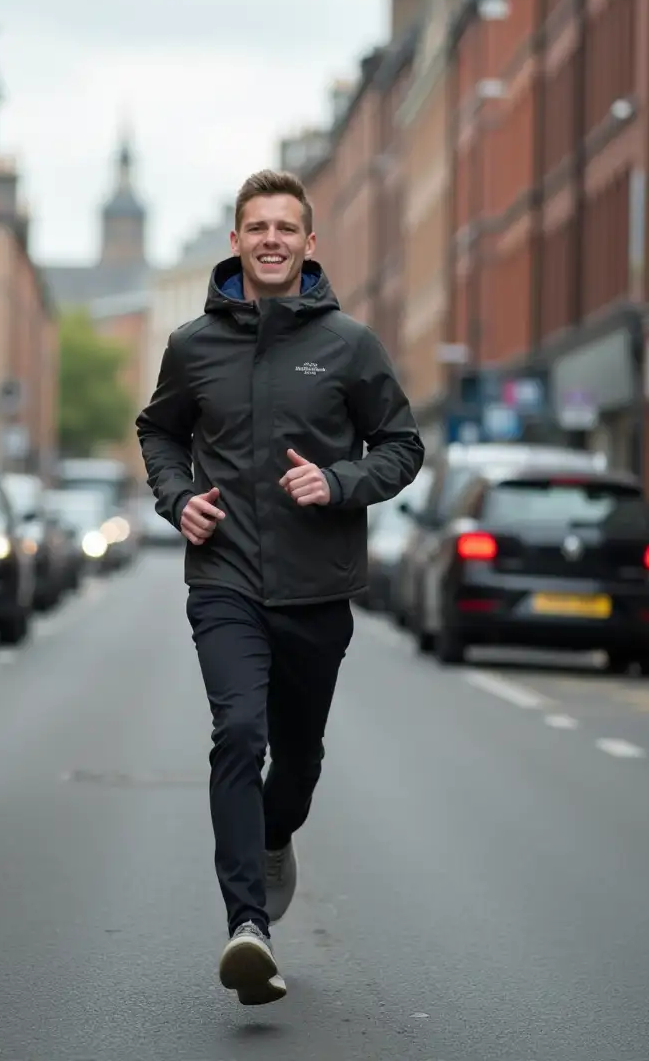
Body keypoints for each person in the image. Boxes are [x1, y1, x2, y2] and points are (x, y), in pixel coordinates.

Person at [136, 169, 424, 1006]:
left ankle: (273, 836)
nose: (270, 240)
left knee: (297, 758)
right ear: (235, 241)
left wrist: (337, 483)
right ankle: (248, 927)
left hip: (316, 589)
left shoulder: (350, 345)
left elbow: (401, 446)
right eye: (255, 227)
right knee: (238, 733)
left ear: (307, 242)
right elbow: (160, 431)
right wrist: (177, 498)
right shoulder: (193, 345)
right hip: (224, 576)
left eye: (284, 228)